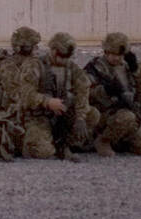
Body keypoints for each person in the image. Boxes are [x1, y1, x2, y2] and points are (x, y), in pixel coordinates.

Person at [16, 32, 98, 161]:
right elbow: (25, 94)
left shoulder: (71, 68)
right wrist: (46, 101)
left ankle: (65, 144)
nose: (65, 60)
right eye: (63, 56)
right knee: (42, 152)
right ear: (53, 51)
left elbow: (83, 90)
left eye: (68, 56)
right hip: (38, 117)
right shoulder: (35, 66)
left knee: (92, 114)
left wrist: (80, 117)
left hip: (62, 114)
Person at [84, 32, 141, 157]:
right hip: (105, 114)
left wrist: (136, 71)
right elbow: (84, 93)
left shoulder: (127, 67)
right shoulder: (96, 68)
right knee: (127, 117)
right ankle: (103, 140)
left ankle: (118, 140)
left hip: (127, 112)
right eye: (112, 54)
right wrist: (105, 90)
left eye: (119, 54)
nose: (116, 58)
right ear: (105, 51)